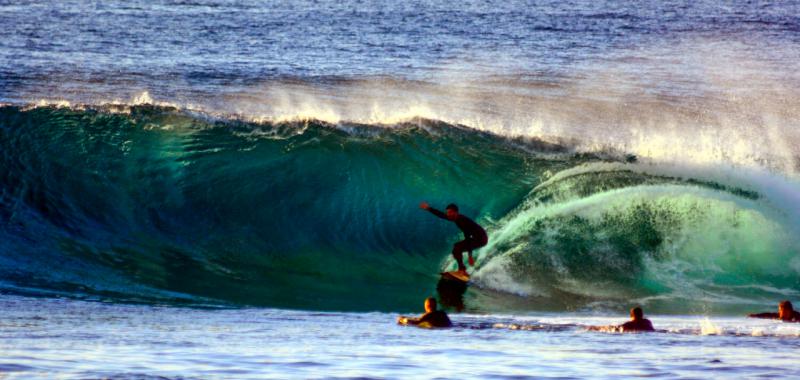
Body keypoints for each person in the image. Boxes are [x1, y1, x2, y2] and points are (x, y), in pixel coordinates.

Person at [420, 202, 487, 276]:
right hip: (478, 237)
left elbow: (468, 238)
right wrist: (429, 208)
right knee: (456, 249)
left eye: (450, 212)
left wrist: (470, 255)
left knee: (457, 248)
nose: (448, 214)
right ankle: (462, 270)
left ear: (456, 212)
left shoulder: (461, 220)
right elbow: (441, 215)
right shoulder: (455, 218)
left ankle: (462, 271)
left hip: (481, 238)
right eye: (447, 212)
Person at [588, 307, 655, 333]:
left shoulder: (629, 324)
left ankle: (593, 327)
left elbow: (616, 329)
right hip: (652, 333)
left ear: (631, 315)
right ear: (642, 314)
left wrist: (596, 328)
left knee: (610, 328)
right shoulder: (647, 322)